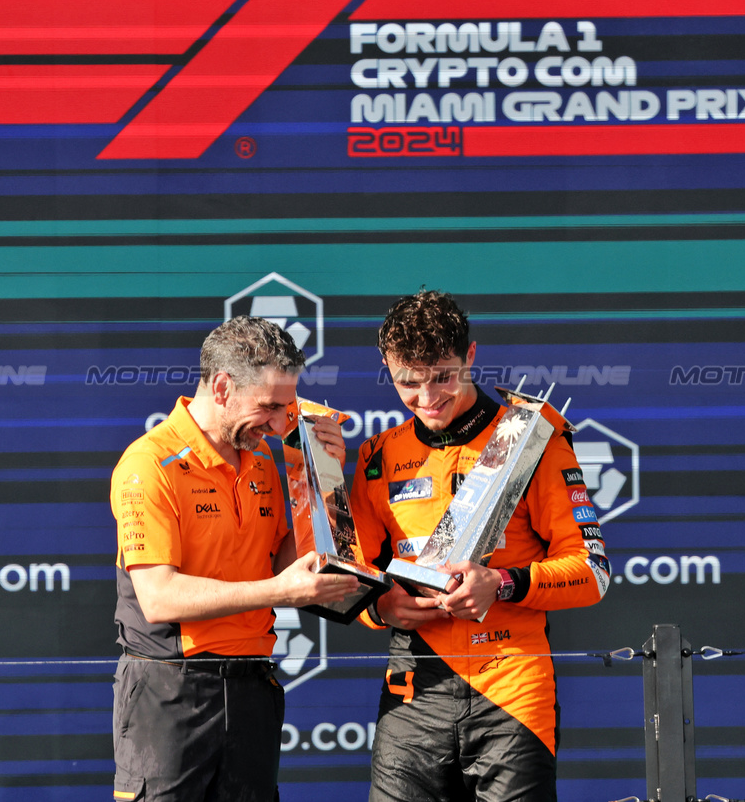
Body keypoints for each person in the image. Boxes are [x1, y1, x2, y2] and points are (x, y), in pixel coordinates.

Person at [348, 291, 611, 802]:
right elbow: (350, 572)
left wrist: (504, 584)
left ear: (470, 356)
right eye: (408, 382)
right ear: (387, 369)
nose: (427, 398)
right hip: (412, 696)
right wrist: (380, 608)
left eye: (442, 376)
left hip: (512, 689)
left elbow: (594, 571)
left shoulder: (532, 437)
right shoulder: (377, 456)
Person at [110, 315, 359, 802]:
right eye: (269, 406)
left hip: (253, 685)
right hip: (170, 691)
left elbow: (297, 559)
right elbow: (159, 598)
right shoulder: (148, 464)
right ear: (222, 387)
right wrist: (280, 592)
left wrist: (321, 475)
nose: (277, 421)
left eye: (286, 407)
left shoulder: (265, 458)